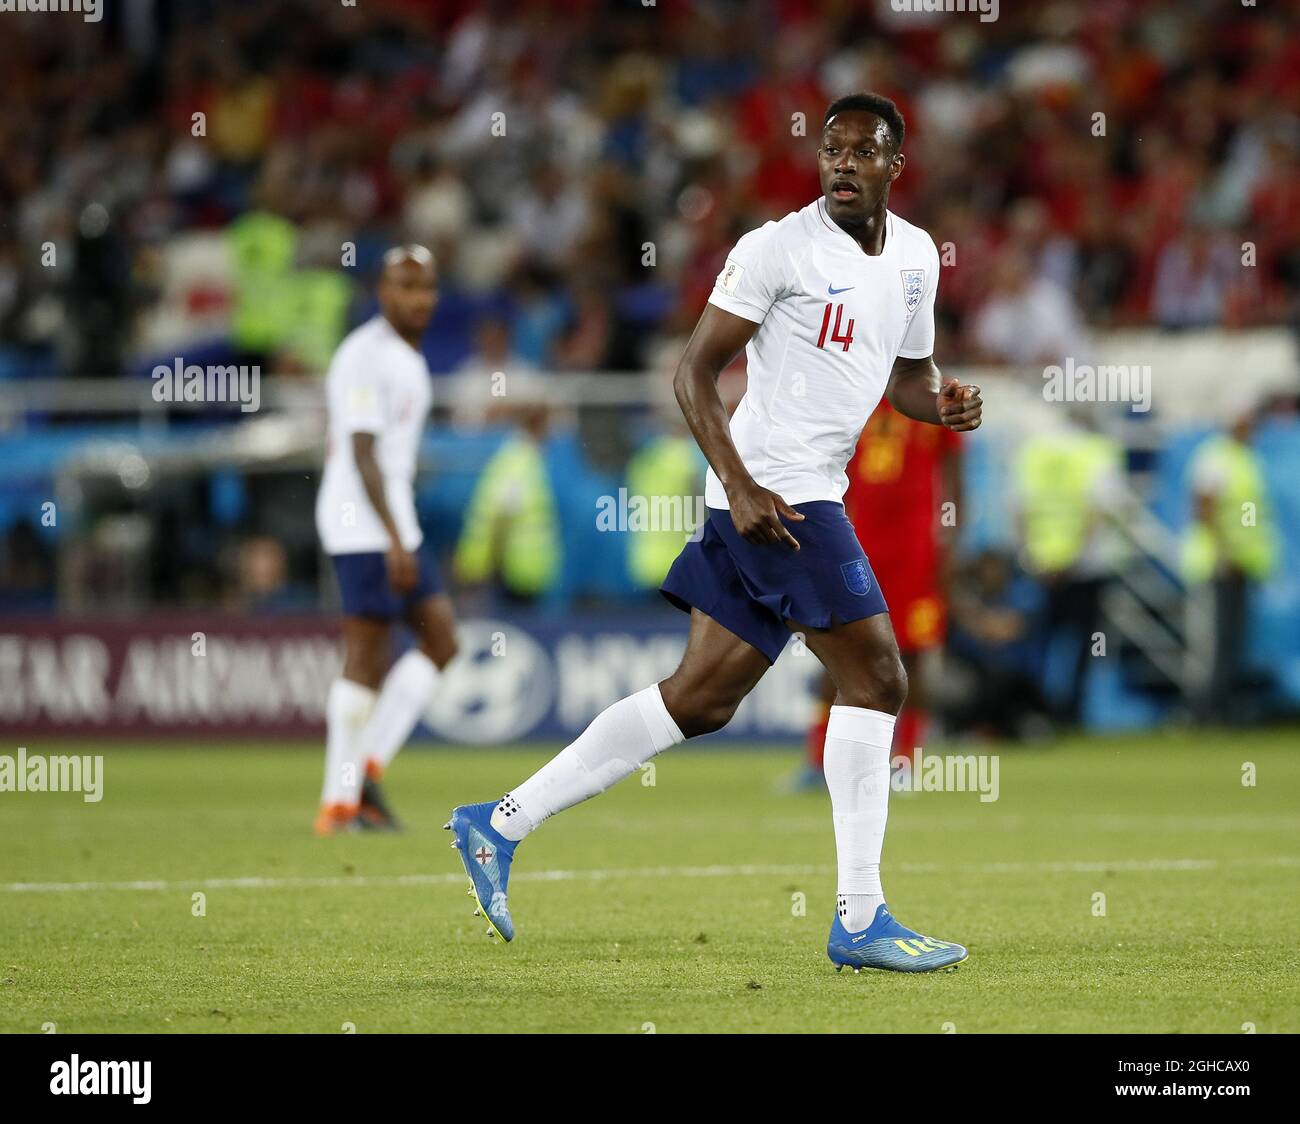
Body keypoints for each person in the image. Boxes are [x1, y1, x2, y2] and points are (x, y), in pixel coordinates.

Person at [446, 94, 983, 974]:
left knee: (698, 699)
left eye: (863, 152)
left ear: (896, 164)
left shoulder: (918, 258)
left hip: (794, 493)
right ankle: (860, 917)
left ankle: (497, 823)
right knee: (880, 678)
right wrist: (738, 486)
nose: (843, 164)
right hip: (779, 494)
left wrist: (945, 404)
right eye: (831, 150)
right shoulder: (776, 249)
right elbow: (691, 372)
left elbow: (907, 377)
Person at [312, 245, 459, 835]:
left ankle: (364, 768)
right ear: (383, 293)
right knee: (365, 660)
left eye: (426, 288)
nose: (418, 299)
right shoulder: (364, 356)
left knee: (442, 639)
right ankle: (338, 801)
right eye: (406, 287)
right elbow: (363, 453)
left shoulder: (403, 355)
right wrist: (394, 537)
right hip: (361, 521)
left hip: (393, 520)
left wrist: (402, 530)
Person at [797, 398, 962, 790]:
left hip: (916, 554)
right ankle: (818, 761)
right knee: (835, 650)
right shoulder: (855, 399)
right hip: (856, 548)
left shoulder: (933, 402)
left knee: (914, 656)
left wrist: (950, 542)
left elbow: (955, 483)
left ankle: (905, 763)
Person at [1181, 407, 1278, 721]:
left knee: (1231, 642)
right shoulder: (1215, 457)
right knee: (1210, 643)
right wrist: (1224, 553)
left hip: (1241, 565)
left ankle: (1222, 709)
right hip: (1215, 565)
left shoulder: (1245, 458)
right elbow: (1203, 508)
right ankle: (1203, 711)